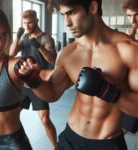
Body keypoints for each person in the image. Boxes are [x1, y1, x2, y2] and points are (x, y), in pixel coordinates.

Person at [29, 0, 138, 149]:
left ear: (93, 7)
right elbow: (52, 93)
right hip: (70, 139)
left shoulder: (129, 50)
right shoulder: (68, 53)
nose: (67, 22)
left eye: (72, 13)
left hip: (107, 143)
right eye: (63, 15)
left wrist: (107, 91)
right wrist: (33, 80)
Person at [0, 5, 44, 150]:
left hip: (12, 142)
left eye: (4, 35)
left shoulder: (15, 65)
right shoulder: (23, 37)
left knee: (45, 118)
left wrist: (33, 77)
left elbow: (50, 75)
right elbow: (13, 49)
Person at [9, 9, 57, 149]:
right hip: (23, 85)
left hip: (39, 84)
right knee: (12, 115)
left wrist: (39, 46)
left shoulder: (46, 38)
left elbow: (53, 59)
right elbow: (11, 54)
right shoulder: (24, 36)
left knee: (45, 119)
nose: (27, 26)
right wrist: (17, 37)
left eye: (30, 23)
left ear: (37, 21)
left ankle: (56, 147)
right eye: (25, 23)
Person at [121, 0, 138, 134]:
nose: (133, 19)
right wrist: (129, 39)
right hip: (131, 86)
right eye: (129, 15)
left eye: (137, 15)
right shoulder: (130, 32)